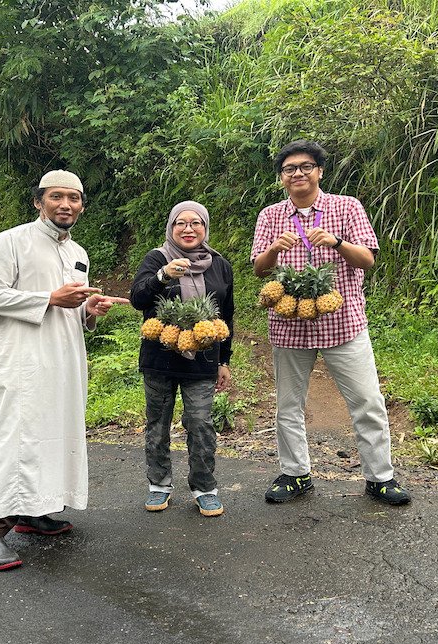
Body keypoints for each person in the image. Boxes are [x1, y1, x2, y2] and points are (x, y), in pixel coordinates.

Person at [0, 169, 130, 571]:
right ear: (38, 201)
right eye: (57, 197)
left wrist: (89, 310)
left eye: (74, 198)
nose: (66, 205)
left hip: (64, 361)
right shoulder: (11, 241)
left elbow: (71, 308)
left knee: (54, 434)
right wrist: (48, 298)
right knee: (15, 440)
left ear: (82, 206)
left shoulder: (78, 252)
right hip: (22, 361)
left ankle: (36, 510)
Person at [250, 140, 411, 506]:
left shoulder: (346, 207)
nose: (298, 173)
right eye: (290, 169)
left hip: (344, 322)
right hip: (290, 324)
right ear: (282, 178)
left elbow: (367, 259)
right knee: (288, 405)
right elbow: (259, 269)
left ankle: (380, 478)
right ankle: (295, 473)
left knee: (367, 401)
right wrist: (274, 249)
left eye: (306, 166)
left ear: (319, 171)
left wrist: (336, 242)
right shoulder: (270, 215)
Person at [130, 201, 234, 517]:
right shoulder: (157, 258)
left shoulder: (219, 264)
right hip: (160, 356)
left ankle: (205, 488)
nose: (188, 229)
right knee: (158, 424)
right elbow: (138, 298)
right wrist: (162, 276)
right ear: (171, 227)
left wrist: (224, 361)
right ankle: (159, 484)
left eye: (195, 223)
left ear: (205, 227)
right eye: (181, 223)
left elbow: (226, 314)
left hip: (203, 359)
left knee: (201, 424)